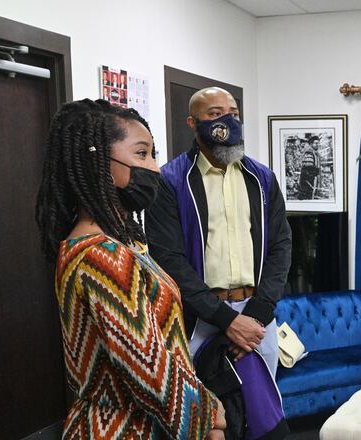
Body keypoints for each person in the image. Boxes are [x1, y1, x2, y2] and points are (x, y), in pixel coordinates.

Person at [35, 99, 226, 439]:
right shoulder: (100, 256)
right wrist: (211, 418)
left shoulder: (122, 245)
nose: (154, 168)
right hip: (124, 429)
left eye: (153, 155)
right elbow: (152, 371)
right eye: (141, 154)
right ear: (97, 161)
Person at [145, 87, 291, 438]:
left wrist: (255, 315)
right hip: (199, 319)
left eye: (234, 112)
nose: (227, 120)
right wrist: (227, 321)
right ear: (192, 123)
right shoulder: (170, 182)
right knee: (205, 419)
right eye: (214, 114)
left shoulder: (263, 179)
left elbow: (281, 246)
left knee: (261, 412)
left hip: (258, 317)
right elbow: (169, 260)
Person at [297, 135, 320, 200]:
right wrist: (316, 172)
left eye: (318, 143)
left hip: (310, 180)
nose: (317, 145)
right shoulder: (309, 152)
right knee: (306, 198)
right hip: (307, 181)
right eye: (316, 143)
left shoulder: (314, 153)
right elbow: (308, 168)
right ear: (311, 144)